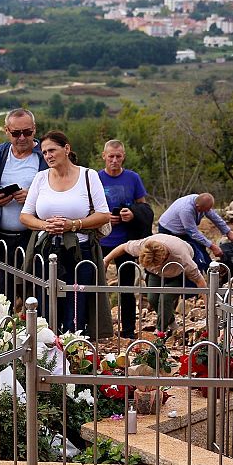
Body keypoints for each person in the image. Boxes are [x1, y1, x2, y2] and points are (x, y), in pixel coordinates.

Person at [20, 130, 112, 337]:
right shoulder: (41, 178)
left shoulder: (89, 176)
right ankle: (47, 354)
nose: (48, 156)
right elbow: (25, 216)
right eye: (44, 153)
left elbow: (104, 214)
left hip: (81, 251)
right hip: (45, 251)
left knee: (76, 306)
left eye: (52, 150)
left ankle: (72, 353)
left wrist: (73, 225)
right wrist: (45, 226)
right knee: (45, 304)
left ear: (67, 149)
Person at [0, 108, 42, 299]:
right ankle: (2, 328)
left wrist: (33, 198)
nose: (22, 137)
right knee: (0, 298)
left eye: (27, 132)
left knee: (37, 295)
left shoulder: (45, 156)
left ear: (34, 130)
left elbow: (62, 191)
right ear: (6, 131)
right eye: (16, 133)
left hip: (34, 240)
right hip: (0, 238)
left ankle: (39, 329)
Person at [99, 140, 151, 337]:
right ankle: (96, 328)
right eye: (111, 156)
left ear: (123, 156)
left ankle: (128, 331)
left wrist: (132, 214)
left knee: (127, 288)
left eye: (118, 156)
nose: (114, 160)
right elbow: (87, 206)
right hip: (101, 239)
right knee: (94, 286)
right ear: (104, 156)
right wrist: (105, 217)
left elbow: (144, 207)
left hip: (126, 242)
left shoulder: (132, 178)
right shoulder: (95, 177)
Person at [103, 234, 206, 333]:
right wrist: (106, 260)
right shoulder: (143, 245)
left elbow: (200, 282)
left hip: (177, 272)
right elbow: (123, 247)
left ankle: (160, 330)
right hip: (155, 274)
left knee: (165, 298)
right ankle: (171, 322)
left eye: (155, 264)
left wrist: (208, 308)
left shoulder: (182, 258)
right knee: (152, 298)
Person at [156, 192, 233, 274]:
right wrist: (212, 247)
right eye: (205, 210)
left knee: (200, 247)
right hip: (168, 230)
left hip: (184, 230)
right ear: (198, 207)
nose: (207, 212)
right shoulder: (186, 210)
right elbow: (193, 233)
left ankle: (212, 272)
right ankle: (190, 278)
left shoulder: (201, 202)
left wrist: (228, 231)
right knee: (183, 254)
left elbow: (214, 217)